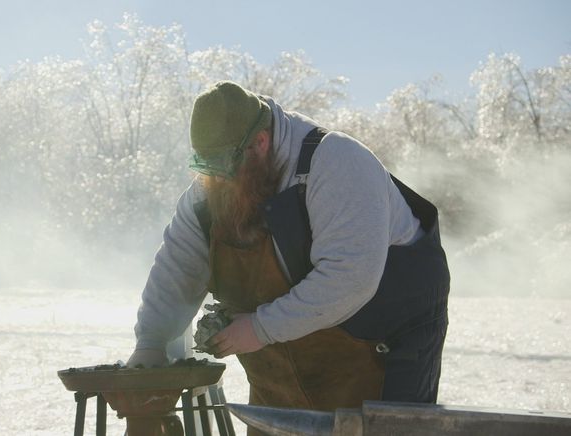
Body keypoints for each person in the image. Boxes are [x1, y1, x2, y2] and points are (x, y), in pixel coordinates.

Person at [127, 81, 450, 420]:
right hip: (288, 360)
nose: (219, 179)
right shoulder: (211, 185)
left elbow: (350, 276)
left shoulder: (337, 161)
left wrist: (259, 328)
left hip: (384, 343)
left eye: (226, 166)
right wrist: (151, 341)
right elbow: (177, 267)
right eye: (209, 167)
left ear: (261, 142)